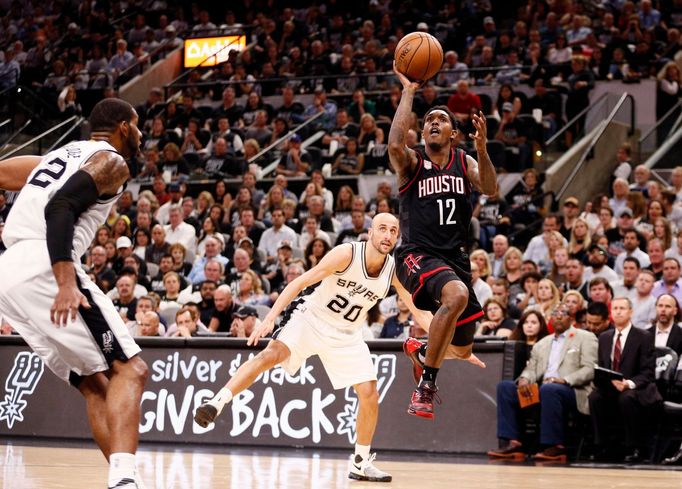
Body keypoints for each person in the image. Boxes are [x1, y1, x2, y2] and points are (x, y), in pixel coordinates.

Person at [194, 214, 430, 482]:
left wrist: (451, 339)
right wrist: (271, 317)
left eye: (393, 231)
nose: (388, 235)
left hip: (347, 332)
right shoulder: (346, 253)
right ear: (371, 232)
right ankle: (217, 402)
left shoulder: (394, 270)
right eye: (382, 229)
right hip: (311, 318)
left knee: (369, 393)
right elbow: (300, 281)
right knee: (270, 355)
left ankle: (360, 463)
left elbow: (418, 310)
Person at [0, 98, 148, 488]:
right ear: (123, 128)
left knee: (96, 384)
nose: (141, 133)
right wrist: (66, 281)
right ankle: (127, 482)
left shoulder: (59, 155)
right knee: (131, 370)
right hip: (44, 264)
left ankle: (121, 479)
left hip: (9, 272)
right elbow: (61, 206)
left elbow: (2, 172)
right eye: (137, 125)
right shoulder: (113, 161)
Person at [388, 62, 496, 419]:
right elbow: (393, 144)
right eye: (429, 119)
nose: (433, 122)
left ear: (453, 133)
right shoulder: (412, 164)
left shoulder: (464, 162)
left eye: (442, 119)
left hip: (455, 260)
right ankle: (426, 387)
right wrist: (409, 91)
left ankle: (420, 351)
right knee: (458, 295)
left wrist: (482, 147)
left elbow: (491, 188)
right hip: (417, 256)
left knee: (463, 349)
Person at [487, 303, 597, 462]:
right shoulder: (542, 343)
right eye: (555, 313)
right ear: (550, 319)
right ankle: (514, 442)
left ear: (571, 318)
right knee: (506, 387)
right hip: (543, 389)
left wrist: (564, 380)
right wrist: (525, 378)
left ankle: (555, 446)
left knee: (550, 388)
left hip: (572, 390)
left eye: (563, 313)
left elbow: (590, 369)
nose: (558, 316)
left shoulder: (585, 337)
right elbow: (531, 369)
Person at [588, 297, 661, 463]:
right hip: (611, 386)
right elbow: (602, 366)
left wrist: (627, 384)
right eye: (615, 308)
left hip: (636, 387)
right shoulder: (604, 337)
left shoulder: (644, 337)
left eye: (622, 308)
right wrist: (606, 382)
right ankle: (603, 445)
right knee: (595, 398)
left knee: (626, 397)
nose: (618, 311)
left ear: (631, 312)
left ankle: (633, 446)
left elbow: (648, 372)